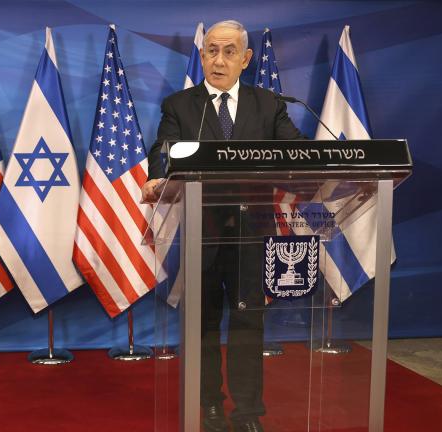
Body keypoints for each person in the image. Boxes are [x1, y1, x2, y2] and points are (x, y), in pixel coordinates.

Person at [143, 20, 304, 432]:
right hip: (204, 234)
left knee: (249, 326)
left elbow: (298, 154)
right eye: (211, 50)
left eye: (229, 51)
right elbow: (164, 152)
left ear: (245, 59)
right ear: (201, 56)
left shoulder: (268, 105)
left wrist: (315, 165)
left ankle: (248, 414)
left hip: (252, 236)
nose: (219, 60)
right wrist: (157, 176)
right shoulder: (180, 106)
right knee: (204, 326)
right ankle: (210, 407)